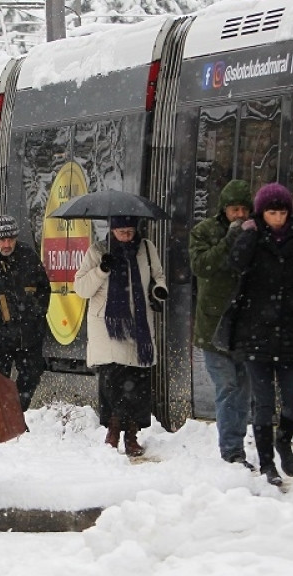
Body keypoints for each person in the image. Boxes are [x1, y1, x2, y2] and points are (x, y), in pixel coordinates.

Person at [220, 182, 293, 486]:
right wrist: (247, 234)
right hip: (256, 332)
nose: (278, 217)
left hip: (291, 331)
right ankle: (268, 465)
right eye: (272, 212)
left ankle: (283, 440)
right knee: (263, 404)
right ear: (262, 213)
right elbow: (234, 264)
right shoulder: (252, 236)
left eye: (282, 211)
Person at [75, 216, 168, 458]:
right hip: (107, 327)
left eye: (129, 231)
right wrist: (102, 269)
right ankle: (115, 428)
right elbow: (82, 288)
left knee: (136, 381)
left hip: (138, 325)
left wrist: (159, 291)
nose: (126, 236)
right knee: (113, 382)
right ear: (112, 230)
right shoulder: (98, 251)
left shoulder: (146, 248)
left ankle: (130, 433)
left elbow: (158, 276)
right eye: (121, 231)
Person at [189, 180, 254, 468]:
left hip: (245, 326)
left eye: (243, 209)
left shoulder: (256, 232)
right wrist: (229, 240)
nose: (239, 215)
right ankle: (231, 451)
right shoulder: (204, 231)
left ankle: (237, 444)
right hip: (214, 327)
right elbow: (201, 266)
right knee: (227, 387)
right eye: (233, 209)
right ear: (223, 210)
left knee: (243, 389)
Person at [0, 215, 51, 412]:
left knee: (32, 374)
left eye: (11, 239)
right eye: (2, 240)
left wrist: (36, 315)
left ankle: (17, 412)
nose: (7, 244)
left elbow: (43, 289)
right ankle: (1, 416)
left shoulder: (27, 256)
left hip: (28, 332)